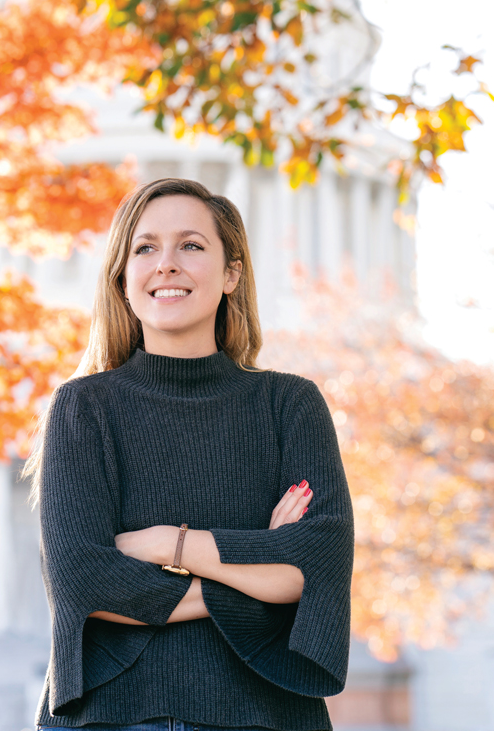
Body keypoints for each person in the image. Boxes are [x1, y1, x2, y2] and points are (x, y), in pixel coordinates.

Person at [24, 177, 354, 731]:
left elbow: (314, 565)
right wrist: (255, 570)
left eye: (192, 245)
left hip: (266, 713)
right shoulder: (82, 408)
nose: (167, 264)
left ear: (232, 274)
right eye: (145, 247)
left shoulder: (289, 404)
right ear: (123, 278)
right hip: (114, 717)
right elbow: (83, 582)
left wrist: (163, 544)